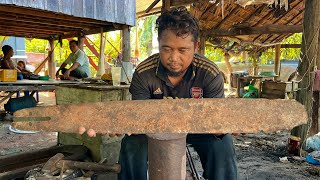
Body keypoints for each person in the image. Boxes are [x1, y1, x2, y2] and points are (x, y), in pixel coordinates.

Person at [79, 7, 237, 180]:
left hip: (198, 128)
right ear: (159, 43)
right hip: (154, 128)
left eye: (182, 50)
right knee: (132, 143)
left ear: (196, 47)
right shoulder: (144, 73)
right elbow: (138, 120)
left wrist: (225, 127)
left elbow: (217, 122)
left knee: (223, 143)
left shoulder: (210, 73)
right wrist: (123, 124)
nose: (174, 58)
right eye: (166, 49)